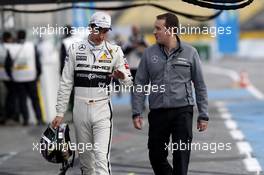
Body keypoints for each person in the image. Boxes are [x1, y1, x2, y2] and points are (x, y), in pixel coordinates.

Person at [52, 11, 133, 175]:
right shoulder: (75, 49)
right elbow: (66, 82)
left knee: (101, 158)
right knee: (86, 163)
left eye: (105, 31)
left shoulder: (115, 51)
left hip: (102, 108)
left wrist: (122, 76)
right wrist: (60, 112)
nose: (102, 35)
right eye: (99, 30)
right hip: (80, 109)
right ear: (90, 28)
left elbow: (129, 82)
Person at [132, 13, 209, 175]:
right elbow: (140, 83)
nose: (154, 32)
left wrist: (203, 114)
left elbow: (200, 85)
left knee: (181, 156)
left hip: (183, 112)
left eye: (158, 28)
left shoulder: (190, 52)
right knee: (156, 155)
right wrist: (137, 111)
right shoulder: (148, 53)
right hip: (158, 113)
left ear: (171, 30)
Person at [5, 30, 44, 125]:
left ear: (17, 36)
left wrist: (12, 76)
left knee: (22, 99)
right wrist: (38, 74)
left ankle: (25, 120)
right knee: (35, 99)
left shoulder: (11, 48)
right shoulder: (32, 46)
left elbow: (7, 64)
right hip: (31, 76)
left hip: (18, 77)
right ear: (25, 36)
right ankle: (39, 119)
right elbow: (37, 62)